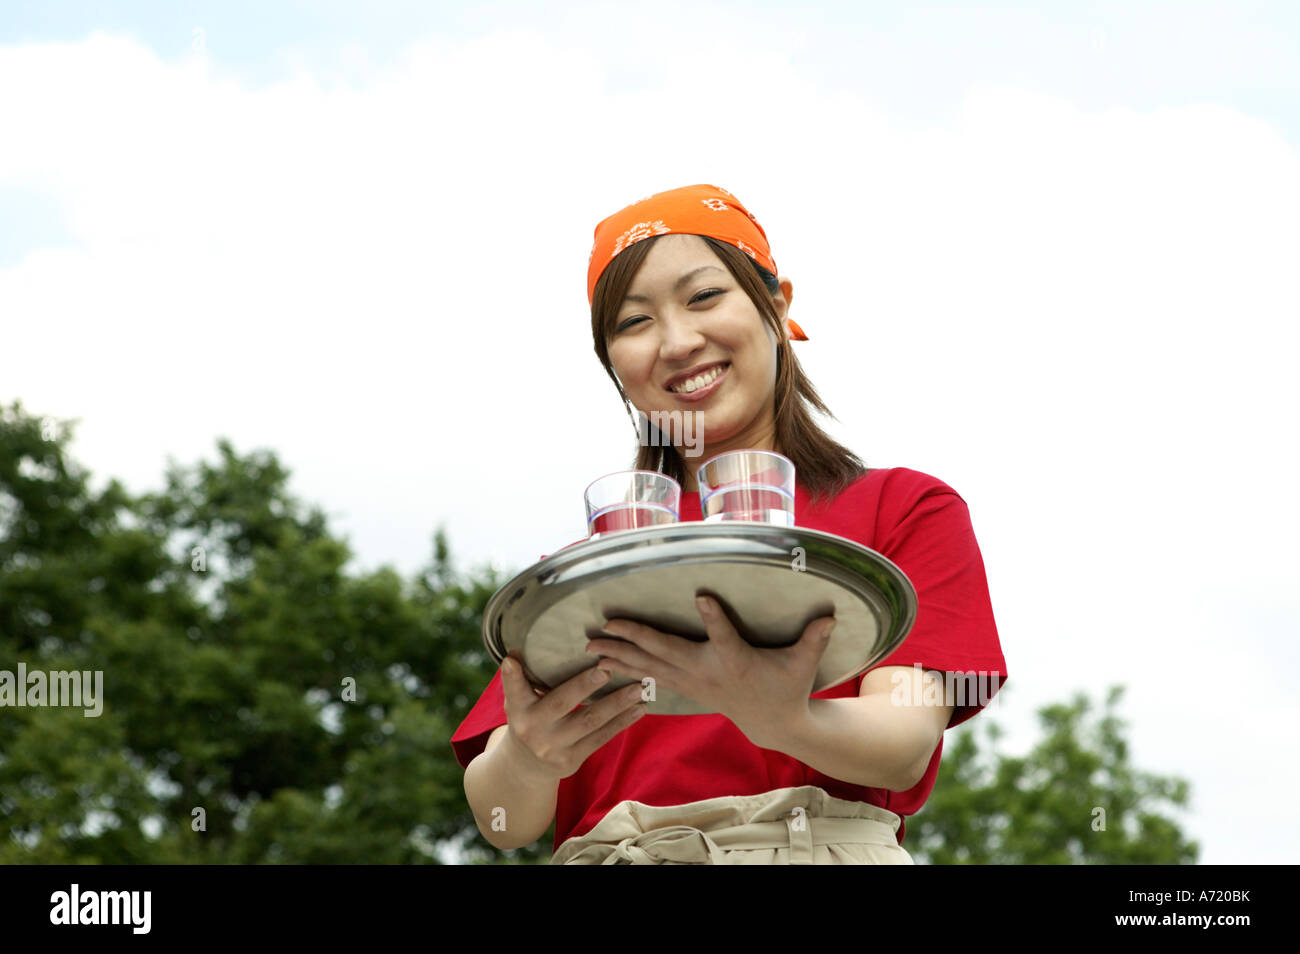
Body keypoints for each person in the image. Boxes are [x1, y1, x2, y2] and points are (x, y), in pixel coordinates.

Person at [450, 183, 1008, 864]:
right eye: (633, 323)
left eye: (704, 296)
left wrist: (784, 717)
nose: (679, 342)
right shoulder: (591, 568)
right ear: (615, 368)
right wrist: (532, 760)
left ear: (777, 307)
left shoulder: (903, 508)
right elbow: (503, 817)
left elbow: (903, 743)